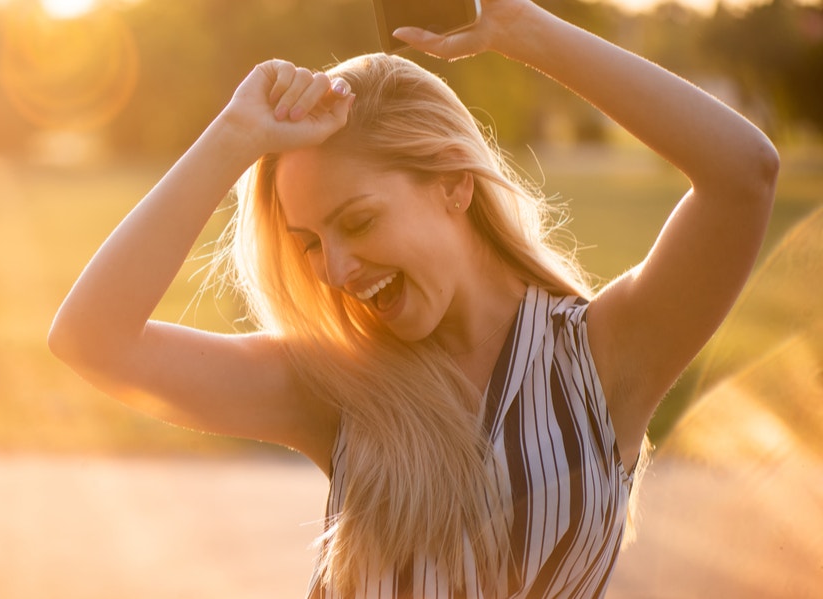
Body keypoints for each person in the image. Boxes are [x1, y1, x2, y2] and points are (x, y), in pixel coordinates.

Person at [47, 0, 779, 596]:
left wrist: (527, 32)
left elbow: (743, 173)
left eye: (357, 221)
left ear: (455, 184)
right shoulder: (335, 385)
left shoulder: (603, 360)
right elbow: (91, 338)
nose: (333, 268)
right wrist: (235, 136)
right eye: (309, 240)